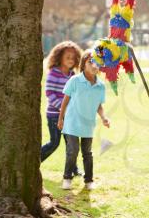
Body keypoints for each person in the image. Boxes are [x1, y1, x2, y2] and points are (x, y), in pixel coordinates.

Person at [58, 49, 110, 190]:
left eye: (98, 63)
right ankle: (67, 177)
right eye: (90, 62)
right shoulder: (75, 80)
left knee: (87, 153)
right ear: (83, 64)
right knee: (72, 151)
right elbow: (65, 101)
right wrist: (60, 119)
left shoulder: (100, 86)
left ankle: (88, 181)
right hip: (72, 123)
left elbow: (99, 105)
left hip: (88, 124)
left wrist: (104, 117)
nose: (94, 65)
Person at [41, 41, 83, 176]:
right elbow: (49, 93)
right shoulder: (54, 73)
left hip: (69, 116)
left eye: (73, 58)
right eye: (67, 57)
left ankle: (73, 169)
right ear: (59, 57)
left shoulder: (72, 75)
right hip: (54, 115)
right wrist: (63, 107)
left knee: (71, 145)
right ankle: (34, 161)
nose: (71, 60)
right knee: (54, 143)